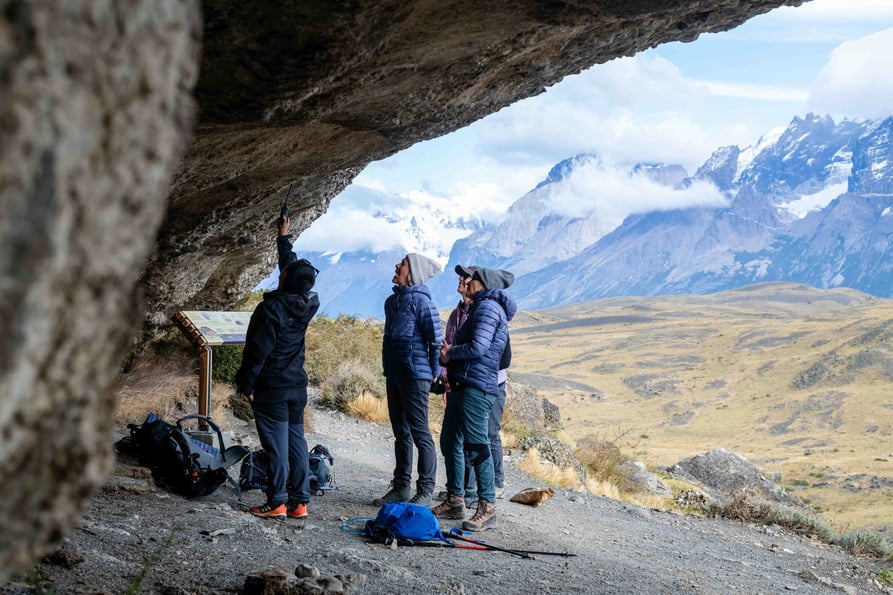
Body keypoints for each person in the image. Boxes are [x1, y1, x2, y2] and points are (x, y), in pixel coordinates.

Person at [234, 215, 320, 519]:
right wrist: (284, 239)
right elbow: (296, 274)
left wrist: (247, 385)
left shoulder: (270, 309)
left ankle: (277, 502)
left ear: (284, 279)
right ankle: (299, 502)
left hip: (272, 387)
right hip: (297, 386)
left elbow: (257, 352)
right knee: (297, 442)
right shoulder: (309, 303)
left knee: (276, 446)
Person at [432, 267, 516, 531]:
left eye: (472, 278)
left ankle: (487, 507)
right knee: (450, 439)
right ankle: (455, 500)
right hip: (464, 383)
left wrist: (449, 354)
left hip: (476, 386)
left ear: (483, 283)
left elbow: (479, 347)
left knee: (477, 444)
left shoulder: (489, 308)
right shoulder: (481, 307)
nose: (466, 281)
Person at [375, 253, 444, 506]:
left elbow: (435, 341)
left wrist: (436, 373)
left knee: (420, 433)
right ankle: (401, 487)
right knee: (400, 433)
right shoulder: (392, 302)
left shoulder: (423, 303)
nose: (396, 265)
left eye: (402, 263)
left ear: (412, 271)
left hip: (416, 377)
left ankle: (425, 490)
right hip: (394, 374)